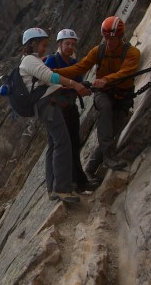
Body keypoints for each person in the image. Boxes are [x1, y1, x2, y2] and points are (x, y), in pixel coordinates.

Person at [55, 17, 140, 182]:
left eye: (111, 38)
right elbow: (79, 67)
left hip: (123, 96)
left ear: (120, 36)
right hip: (104, 94)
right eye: (105, 37)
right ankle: (109, 156)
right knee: (105, 108)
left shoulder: (132, 53)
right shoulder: (98, 51)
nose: (108, 42)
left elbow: (126, 72)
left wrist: (106, 79)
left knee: (111, 132)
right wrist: (52, 73)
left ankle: (90, 170)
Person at [19, 27, 91, 203]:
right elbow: (51, 77)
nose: (45, 49)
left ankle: (53, 187)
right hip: (47, 105)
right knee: (63, 142)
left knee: (54, 144)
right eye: (43, 45)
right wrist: (74, 84)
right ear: (33, 43)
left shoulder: (32, 60)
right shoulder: (29, 60)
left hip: (46, 105)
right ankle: (62, 189)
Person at [44, 29, 99, 193]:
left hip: (69, 106)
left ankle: (79, 181)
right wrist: (74, 87)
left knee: (73, 143)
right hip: (54, 108)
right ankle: (54, 185)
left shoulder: (73, 63)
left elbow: (79, 83)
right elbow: (46, 82)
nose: (70, 47)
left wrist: (85, 89)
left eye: (72, 44)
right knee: (57, 145)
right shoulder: (51, 61)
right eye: (67, 43)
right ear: (59, 44)